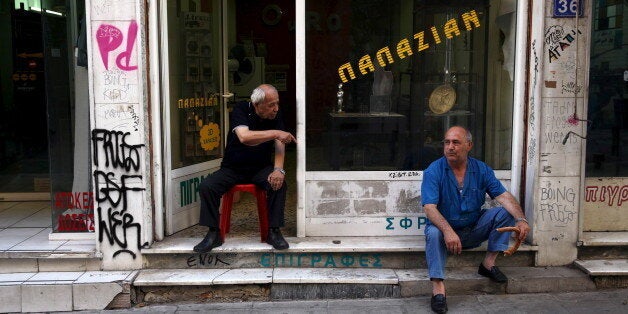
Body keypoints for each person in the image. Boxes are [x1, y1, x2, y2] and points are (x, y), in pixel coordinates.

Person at [421, 126, 530, 313]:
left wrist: (521, 219)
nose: (450, 147)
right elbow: (429, 208)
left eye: (456, 142)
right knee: (432, 230)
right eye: (447, 142)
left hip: (474, 228)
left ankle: (488, 264)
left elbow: (503, 196)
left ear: (469, 145)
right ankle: (438, 290)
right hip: (447, 234)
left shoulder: (481, 169)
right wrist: (448, 231)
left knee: (505, 213)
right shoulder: (434, 171)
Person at [193, 84, 297, 253]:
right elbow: (244, 137)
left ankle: (274, 231)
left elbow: (280, 144)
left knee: (278, 183)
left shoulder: (276, 115)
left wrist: (279, 169)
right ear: (257, 105)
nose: (276, 108)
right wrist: (276, 133)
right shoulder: (241, 109)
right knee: (207, 186)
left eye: (277, 103)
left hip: (260, 168)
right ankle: (213, 233)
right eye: (271, 105)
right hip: (233, 168)